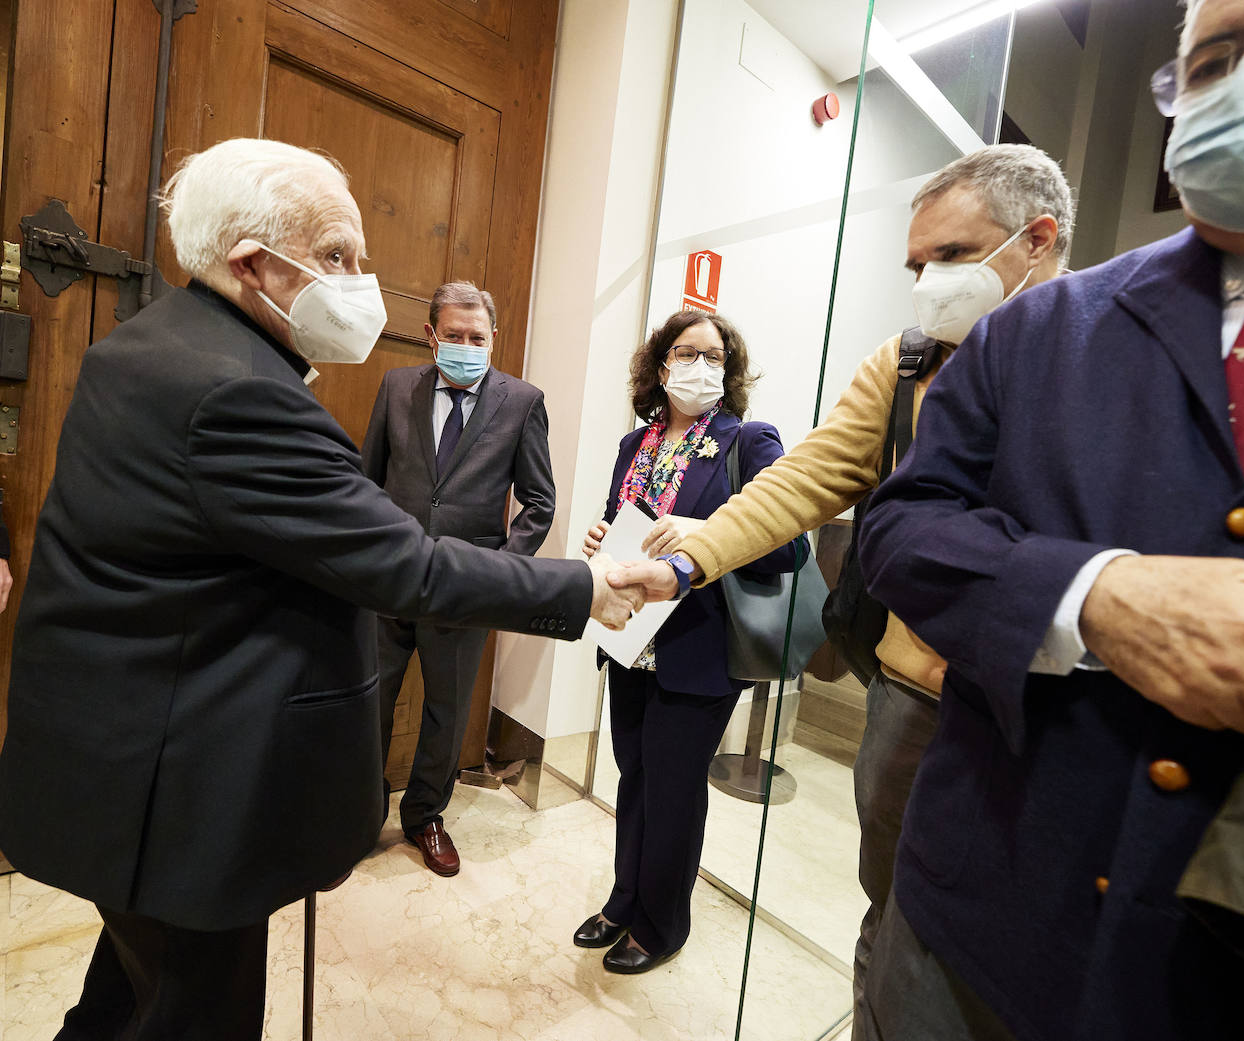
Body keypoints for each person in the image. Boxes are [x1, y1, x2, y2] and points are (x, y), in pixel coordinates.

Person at [0, 137, 643, 1040]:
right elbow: (406, 562)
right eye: (337, 255)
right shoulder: (236, 391)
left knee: (124, 997)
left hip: (124, 755)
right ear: (254, 264)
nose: (359, 284)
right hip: (177, 791)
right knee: (190, 1012)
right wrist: (583, 587)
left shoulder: (151, 343)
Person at [855, 0, 1244, 1035]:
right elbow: (900, 522)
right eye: (1218, 56)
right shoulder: (1041, 331)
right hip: (979, 926)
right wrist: (1093, 596)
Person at [609, 144, 1074, 1024]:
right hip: (912, 694)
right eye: (915, 263)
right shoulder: (902, 367)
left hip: (1049, 704)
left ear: (1036, 240)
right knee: (891, 916)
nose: (927, 282)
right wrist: (684, 561)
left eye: (949, 256)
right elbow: (805, 482)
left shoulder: (1100, 354)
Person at [573, 309, 807, 974]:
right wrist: (599, 535)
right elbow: (622, 520)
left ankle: (661, 922)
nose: (697, 365)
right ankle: (624, 900)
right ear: (660, 363)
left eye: (713, 355)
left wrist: (698, 540)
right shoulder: (634, 444)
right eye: (684, 351)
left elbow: (788, 546)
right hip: (628, 639)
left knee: (675, 788)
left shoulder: (750, 440)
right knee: (636, 777)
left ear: (729, 372)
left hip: (698, 648)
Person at [361, 280, 555, 877]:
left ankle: (425, 817)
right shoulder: (397, 386)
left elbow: (538, 503)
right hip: (389, 580)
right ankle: (359, 818)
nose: (466, 345)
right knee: (370, 703)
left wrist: (495, 572)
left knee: (447, 715)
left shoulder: (522, 401)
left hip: (465, 590)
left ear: (493, 338)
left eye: (477, 337)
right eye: (453, 335)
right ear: (431, 336)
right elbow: (367, 479)